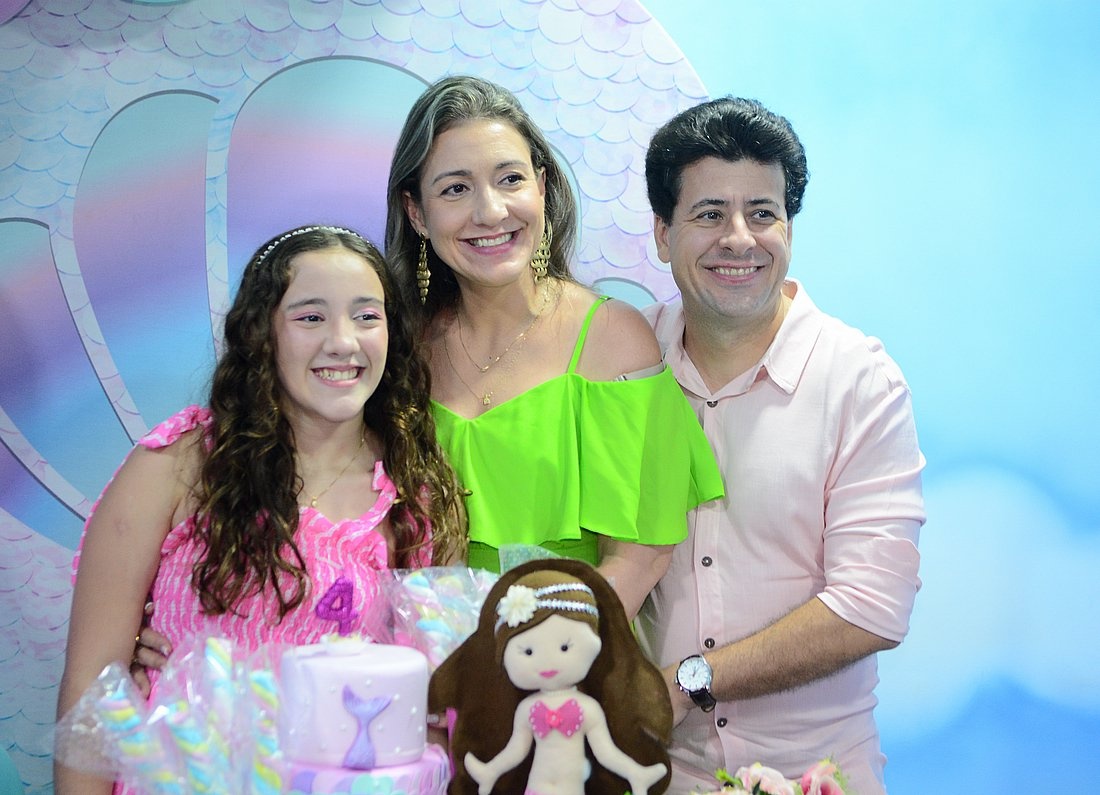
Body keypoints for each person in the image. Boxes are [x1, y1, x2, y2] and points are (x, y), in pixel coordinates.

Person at [54, 225, 467, 795]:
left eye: (367, 316)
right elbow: (92, 690)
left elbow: (432, 712)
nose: (343, 341)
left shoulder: (415, 492)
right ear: (262, 333)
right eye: (310, 317)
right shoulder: (178, 465)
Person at [633, 97, 926, 795]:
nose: (739, 239)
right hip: (651, 775)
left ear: (788, 228)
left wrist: (689, 682)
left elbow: (872, 605)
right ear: (663, 233)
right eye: (710, 214)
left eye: (762, 213)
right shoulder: (626, 366)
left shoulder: (857, 378)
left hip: (817, 775)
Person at [384, 75, 724, 620]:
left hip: (572, 653)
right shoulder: (396, 348)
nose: (490, 211)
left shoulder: (612, 338)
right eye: (455, 189)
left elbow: (638, 559)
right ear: (417, 212)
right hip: (422, 653)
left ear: (541, 188)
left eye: (510, 179)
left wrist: (531, 657)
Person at [429, 558, 672, 795]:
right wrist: (490, 771)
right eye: (528, 651)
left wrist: (635, 772)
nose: (547, 661)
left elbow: (606, 752)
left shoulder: (587, 709)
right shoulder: (528, 709)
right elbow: (515, 751)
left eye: (565, 647)